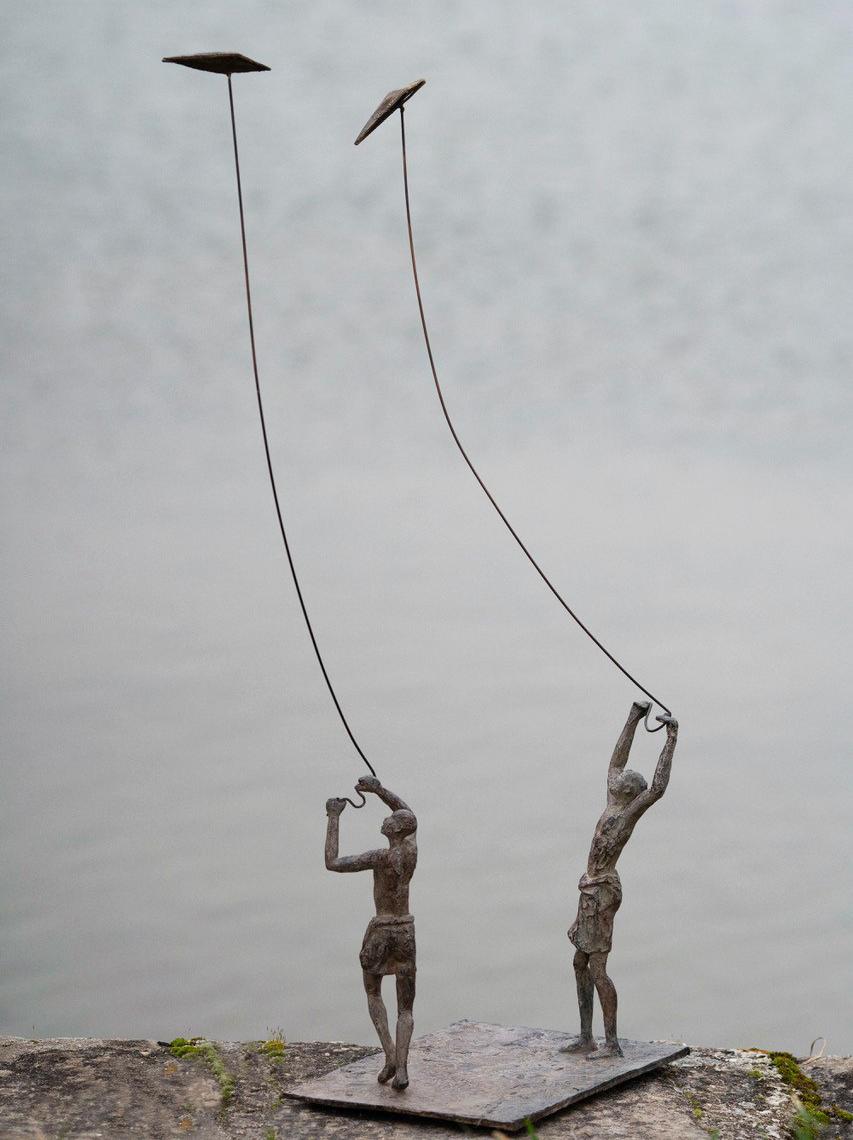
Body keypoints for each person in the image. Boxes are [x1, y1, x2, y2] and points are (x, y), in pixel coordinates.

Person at [565, 701, 678, 1058]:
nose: (620, 776)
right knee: (579, 962)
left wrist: (670, 739)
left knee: (597, 966)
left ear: (632, 791)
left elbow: (658, 788)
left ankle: (611, 1043)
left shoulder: (628, 813)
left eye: (626, 779)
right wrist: (634, 716)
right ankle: (587, 1036)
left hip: (603, 893)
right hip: (589, 888)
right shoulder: (613, 798)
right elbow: (616, 759)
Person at [325, 775, 417, 1089]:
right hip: (405, 929)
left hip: (381, 930)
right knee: (406, 1006)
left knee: (373, 992)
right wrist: (379, 791)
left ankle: (390, 1055)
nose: (386, 817)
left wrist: (334, 818)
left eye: (390, 819)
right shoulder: (411, 852)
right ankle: (402, 1069)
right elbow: (407, 812)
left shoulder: (380, 857)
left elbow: (333, 863)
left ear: (395, 830)